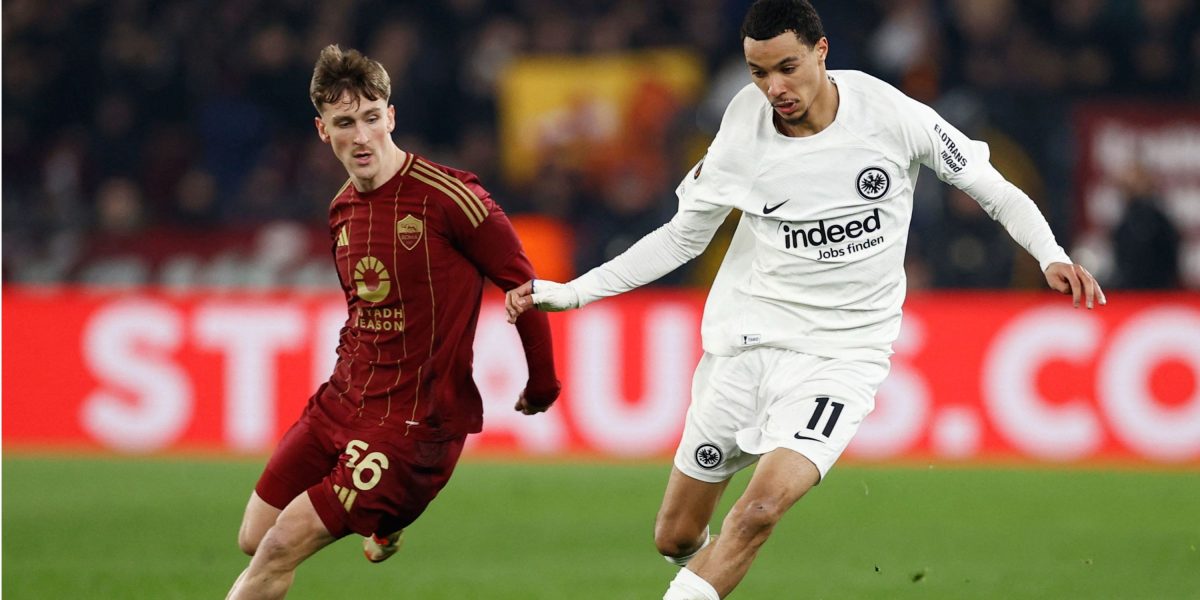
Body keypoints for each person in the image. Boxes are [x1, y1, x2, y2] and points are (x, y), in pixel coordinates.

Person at [505, 1, 1105, 598]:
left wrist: (1050, 253)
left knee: (759, 511)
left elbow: (992, 188)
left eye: (787, 68)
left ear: (821, 52)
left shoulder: (889, 114)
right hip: (747, 345)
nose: (775, 88)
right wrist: (575, 292)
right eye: (759, 73)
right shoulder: (741, 133)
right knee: (676, 536)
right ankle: (701, 573)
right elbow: (682, 238)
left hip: (842, 357)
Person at [227, 44, 561, 599]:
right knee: (254, 537)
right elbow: (363, 309)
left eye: (371, 117)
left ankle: (393, 504)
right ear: (322, 130)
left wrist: (543, 382)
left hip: (411, 424)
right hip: (342, 402)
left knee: (281, 545)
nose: (360, 136)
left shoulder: (453, 198)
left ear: (391, 116)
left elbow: (526, 288)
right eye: (344, 123)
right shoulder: (342, 208)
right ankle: (387, 516)